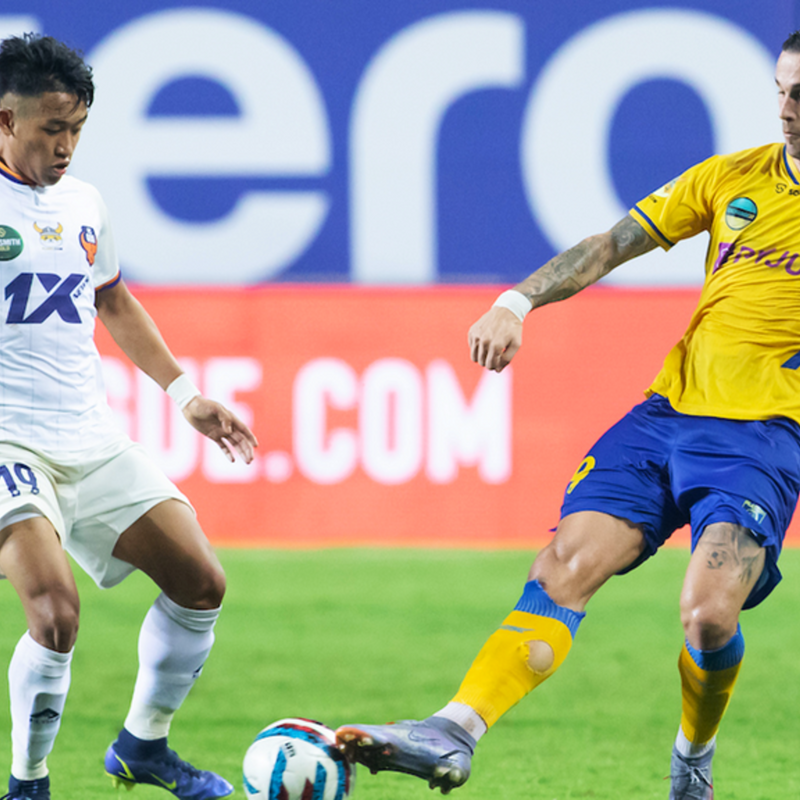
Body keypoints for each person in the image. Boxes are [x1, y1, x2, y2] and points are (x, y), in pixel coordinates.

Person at [335, 30, 800, 800]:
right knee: (563, 567)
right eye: (781, 91)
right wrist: (516, 301)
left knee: (707, 617)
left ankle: (693, 757)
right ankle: (453, 729)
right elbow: (610, 245)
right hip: (665, 420)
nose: (786, 110)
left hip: (764, 438)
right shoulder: (732, 178)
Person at [0, 34, 258, 800]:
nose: (67, 145)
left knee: (201, 583)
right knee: (55, 614)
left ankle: (143, 745)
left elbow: (112, 300)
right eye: (52, 128)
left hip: (89, 436)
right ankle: (28, 781)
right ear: (6, 119)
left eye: (77, 128)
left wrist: (185, 395)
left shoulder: (85, 203)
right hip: (7, 442)